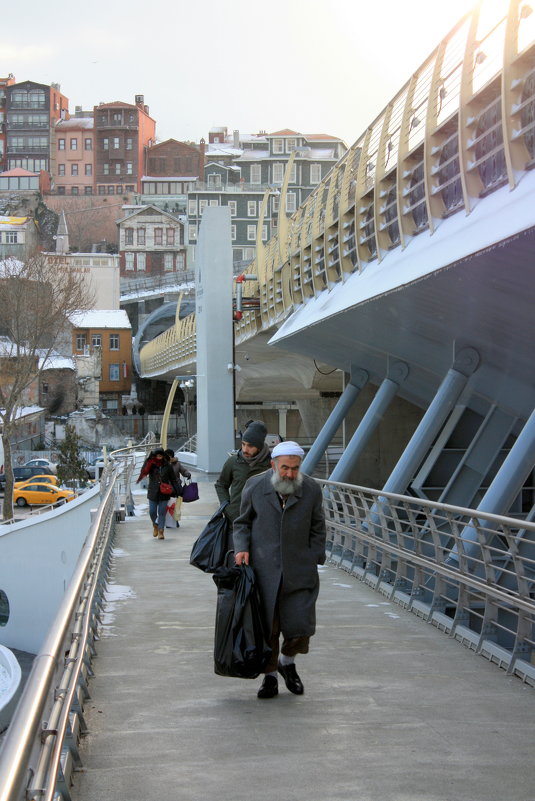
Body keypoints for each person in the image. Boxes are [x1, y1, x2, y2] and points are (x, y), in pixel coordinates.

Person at [233, 440, 326, 699]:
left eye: (295, 469)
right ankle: (270, 677)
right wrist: (241, 548)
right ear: (273, 465)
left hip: (300, 571)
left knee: (300, 627)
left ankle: (287, 661)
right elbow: (242, 523)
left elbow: (318, 526)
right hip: (264, 571)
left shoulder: (310, 489)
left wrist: (314, 555)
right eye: (285, 468)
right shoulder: (255, 485)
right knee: (269, 628)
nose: (289, 474)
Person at [214, 420, 272, 523]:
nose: (245, 449)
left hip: (262, 522)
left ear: (259, 446)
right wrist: (227, 508)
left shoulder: (271, 464)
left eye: (250, 446)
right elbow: (221, 484)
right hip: (235, 521)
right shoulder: (234, 461)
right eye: (243, 444)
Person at [136, 448, 180, 540]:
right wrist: (148, 460)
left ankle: (161, 531)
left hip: (164, 492)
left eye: (160, 456)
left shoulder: (168, 466)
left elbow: (173, 479)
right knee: (152, 512)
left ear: (163, 456)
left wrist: (177, 490)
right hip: (153, 492)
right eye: (157, 456)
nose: (159, 457)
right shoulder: (151, 465)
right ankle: (155, 525)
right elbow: (144, 471)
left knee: (161, 512)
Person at [164, 448, 191, 528]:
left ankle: (175, 520)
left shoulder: (177, 464)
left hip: (176, 489)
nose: (168, 457)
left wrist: (187, 474)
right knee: (167, 506)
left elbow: (184, 471)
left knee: (175, 506)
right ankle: (169, 522)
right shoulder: (162, 465)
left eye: (169, 456)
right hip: (166, 489)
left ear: (172, 456)